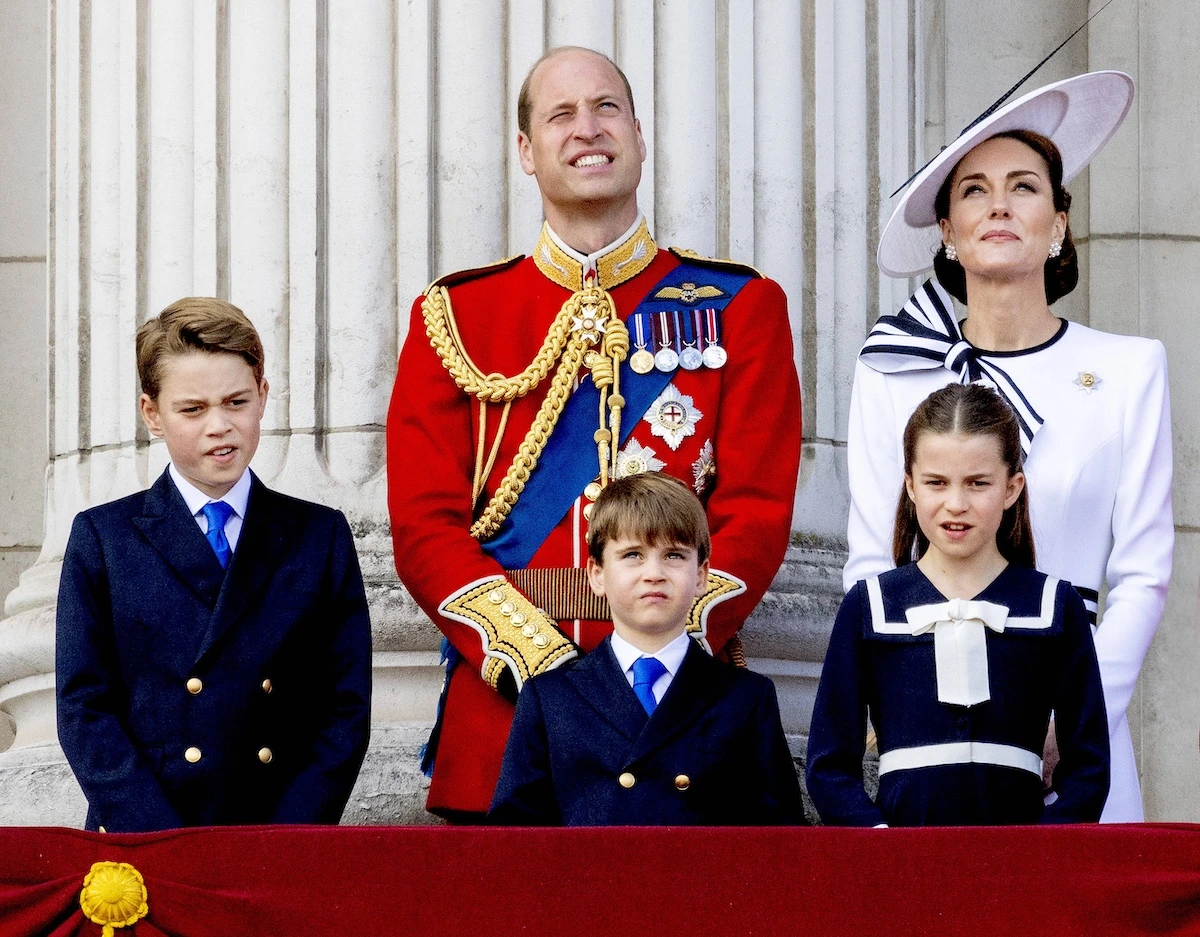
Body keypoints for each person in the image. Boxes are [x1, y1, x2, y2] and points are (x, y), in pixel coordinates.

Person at [387, 46, 800, 819]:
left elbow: (757, 509)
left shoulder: (742, 306)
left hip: (682, 715)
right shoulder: (455, 317)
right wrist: (538, 660)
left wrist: (660, 646)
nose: (588, 129)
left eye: (607, 107)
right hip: (505, 715)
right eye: (561, 114)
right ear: (526, 151)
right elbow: (423, 525)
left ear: (639, 137)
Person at [845, 71, 1171, 822]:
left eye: (1023, 186)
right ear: (948, 233)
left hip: (1077, 718)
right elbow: (870, 562)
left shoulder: (1130, 368)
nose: (998, 203)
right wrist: (905, 698)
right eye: (974, 191)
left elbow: (1144, 572)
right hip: (931, 717)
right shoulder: (893, 369)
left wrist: (1076, 715)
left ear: (1058, 222)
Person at [56, 298, 372, 831]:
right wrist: (157, 841)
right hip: (147, 842)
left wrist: (289, 839)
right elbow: (84, 709)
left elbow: (343, 709)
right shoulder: (104, 538)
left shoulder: (319, 536)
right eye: (193, 409)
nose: (220, 426)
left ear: (263, 397)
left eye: (236, 401)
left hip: (277, 840)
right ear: (152, 414)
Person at [809, 383, 1109, 825]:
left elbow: (1089, 765)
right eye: (936, 483)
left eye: (977, 483)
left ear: (1011, 488)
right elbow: (830, 764)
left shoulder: (1054, 604)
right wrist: (875, 839)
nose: (956, 504)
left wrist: (1046, 850)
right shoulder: (869, 605)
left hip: (1020, 869)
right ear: (910, 486)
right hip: (902, 866)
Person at [489, 472, 803, 825]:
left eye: (673, 555)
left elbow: (781, 839)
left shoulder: (746, 698)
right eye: (633, 555)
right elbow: (514, 841)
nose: (653, 573)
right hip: (587, 880)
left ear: (701, 576)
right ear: (597, 575)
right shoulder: (549, 700)